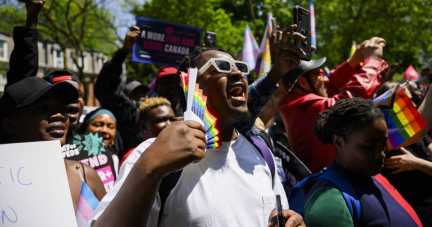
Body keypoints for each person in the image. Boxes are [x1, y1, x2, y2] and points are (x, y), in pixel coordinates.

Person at [90, 24, 310, 227]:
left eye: (239, 67)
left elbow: (281, 215)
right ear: (192, 85)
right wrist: (150, 168)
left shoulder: (262, 152)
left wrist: (294, 221)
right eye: (221, 67)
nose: (237, 73)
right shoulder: (152, 153)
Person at [290, 98, 422, 226]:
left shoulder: (371, 174)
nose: (381, 154)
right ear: (338, 142)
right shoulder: (330, 201)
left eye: (383, 144)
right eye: (369, 147)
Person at [279, 37, 388, 173]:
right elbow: (350, 100)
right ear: (304, 83)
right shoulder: (303, 107)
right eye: (320, 73)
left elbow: (330, 85)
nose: (326, 78)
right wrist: (372, 62)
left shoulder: (296, 101)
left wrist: (352, 62)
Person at [94, 26, 149, 157]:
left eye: (143, 93)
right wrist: (123, 52)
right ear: (124, 97)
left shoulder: (156, 114)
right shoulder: (125, 113)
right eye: (135, 94)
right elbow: (105, 89)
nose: (141, 96)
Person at [120, 97, 176, 166]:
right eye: (161, 120)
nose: (169, 124)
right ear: (143, 126)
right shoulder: (133, 158)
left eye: (173, 120)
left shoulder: (184, 150)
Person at [75, 109, 120, 191]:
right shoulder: (70, 157)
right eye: (98, 125)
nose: (104, 130)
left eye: (110, 127)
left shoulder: (114, 159)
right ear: (85, 128)